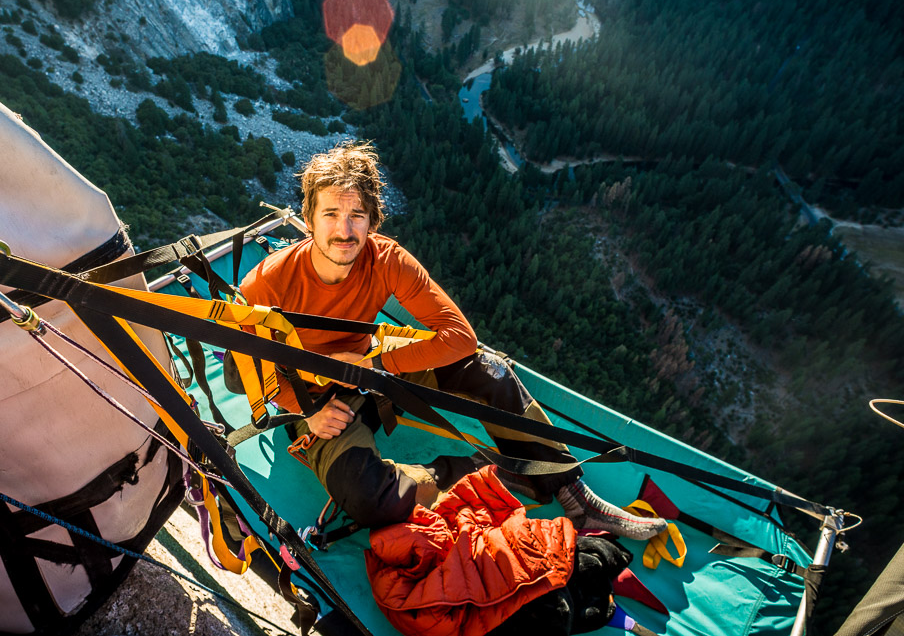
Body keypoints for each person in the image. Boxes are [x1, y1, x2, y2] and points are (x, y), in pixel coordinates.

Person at [239, 142, 666, 539]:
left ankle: (575, 496)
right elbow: (245, 379)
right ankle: (483, 471)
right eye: (330, 214)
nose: (344, 231)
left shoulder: (386, 259)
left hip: (373, 371)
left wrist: (377, 367)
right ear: (310, 217)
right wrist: (307, 411)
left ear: (372, 220)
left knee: (489, 372)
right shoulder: (267, 284)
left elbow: (460, 337)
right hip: (317, 400)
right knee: (366, 495)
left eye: (357, 216)